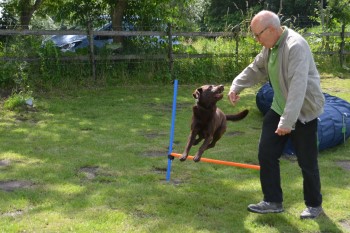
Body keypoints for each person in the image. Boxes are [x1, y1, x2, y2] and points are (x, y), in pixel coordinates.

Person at [228, 10, 325, 219]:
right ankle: (272, 201)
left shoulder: (295, 47)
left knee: (307, 162)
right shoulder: (270, 47)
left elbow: (298, 89)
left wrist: (287, 122)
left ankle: (314, 205)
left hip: (304, 111)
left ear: (271, 29)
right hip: (280, 106)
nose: (256, 39)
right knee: (266, 152)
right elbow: (256, 68)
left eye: (258, 34)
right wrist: (236, 86)